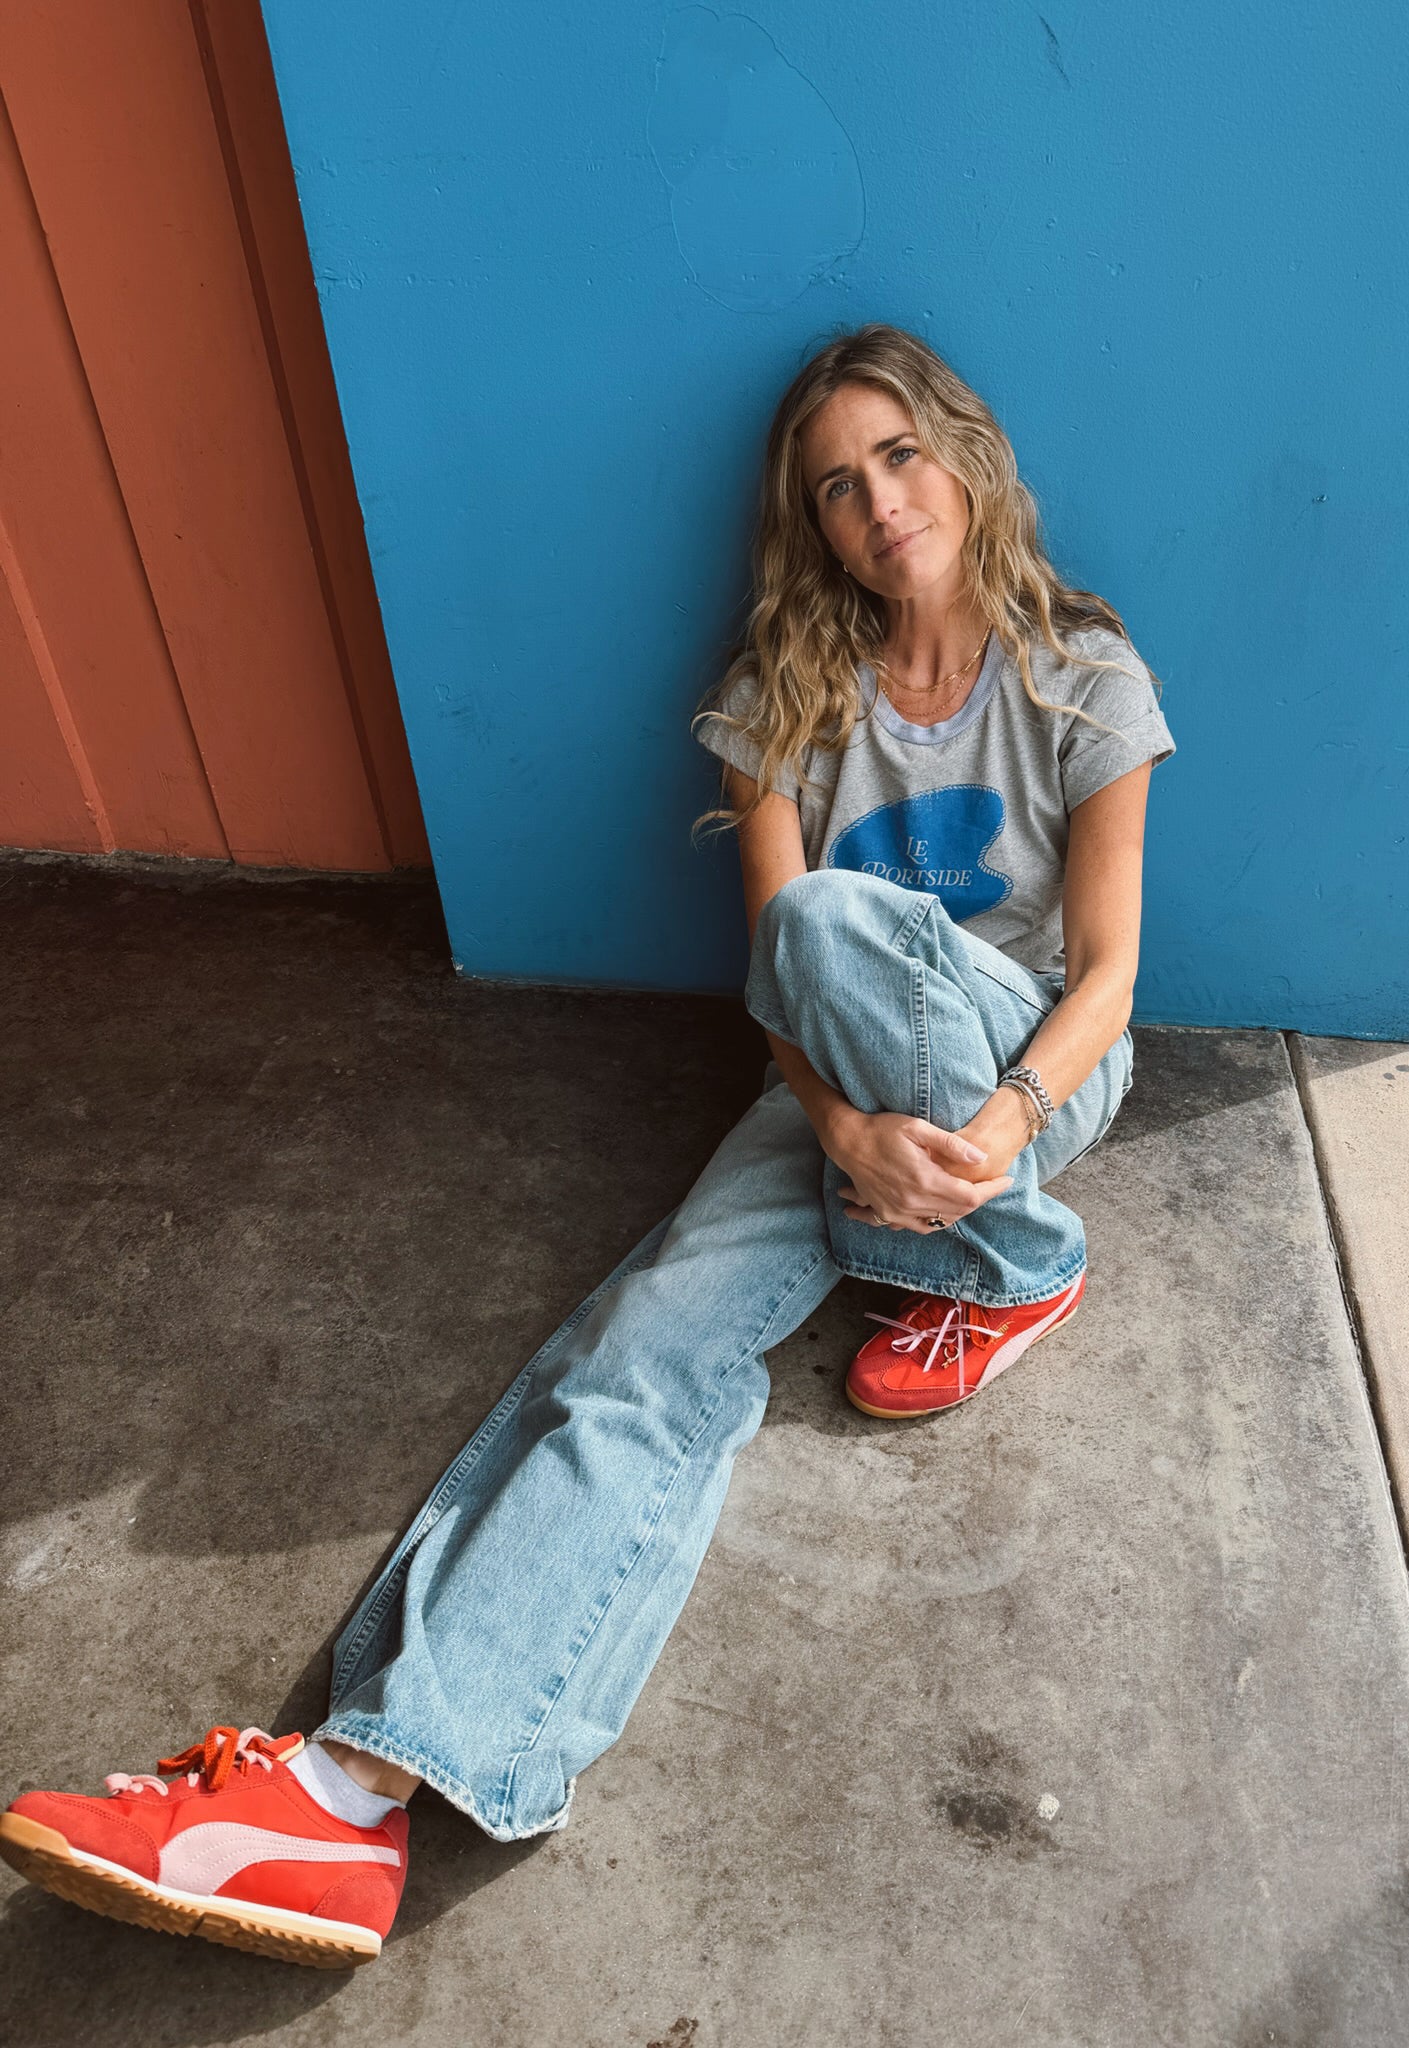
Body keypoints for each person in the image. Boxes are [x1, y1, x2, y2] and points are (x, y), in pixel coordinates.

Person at [0, 324, 1174, 1969]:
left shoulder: (1082, 671)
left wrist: (993, 1129)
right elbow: (782, 985)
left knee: (837, 918)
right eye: (837, 488)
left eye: (899, 455)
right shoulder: (789, 691)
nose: (876, 503)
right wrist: (842, 1126)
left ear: (965, 456)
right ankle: (350, 1796)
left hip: (1033, 1071)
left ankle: (1012, 1253)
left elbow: (1109, 976)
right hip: (831, 1088)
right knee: (638, 1352)